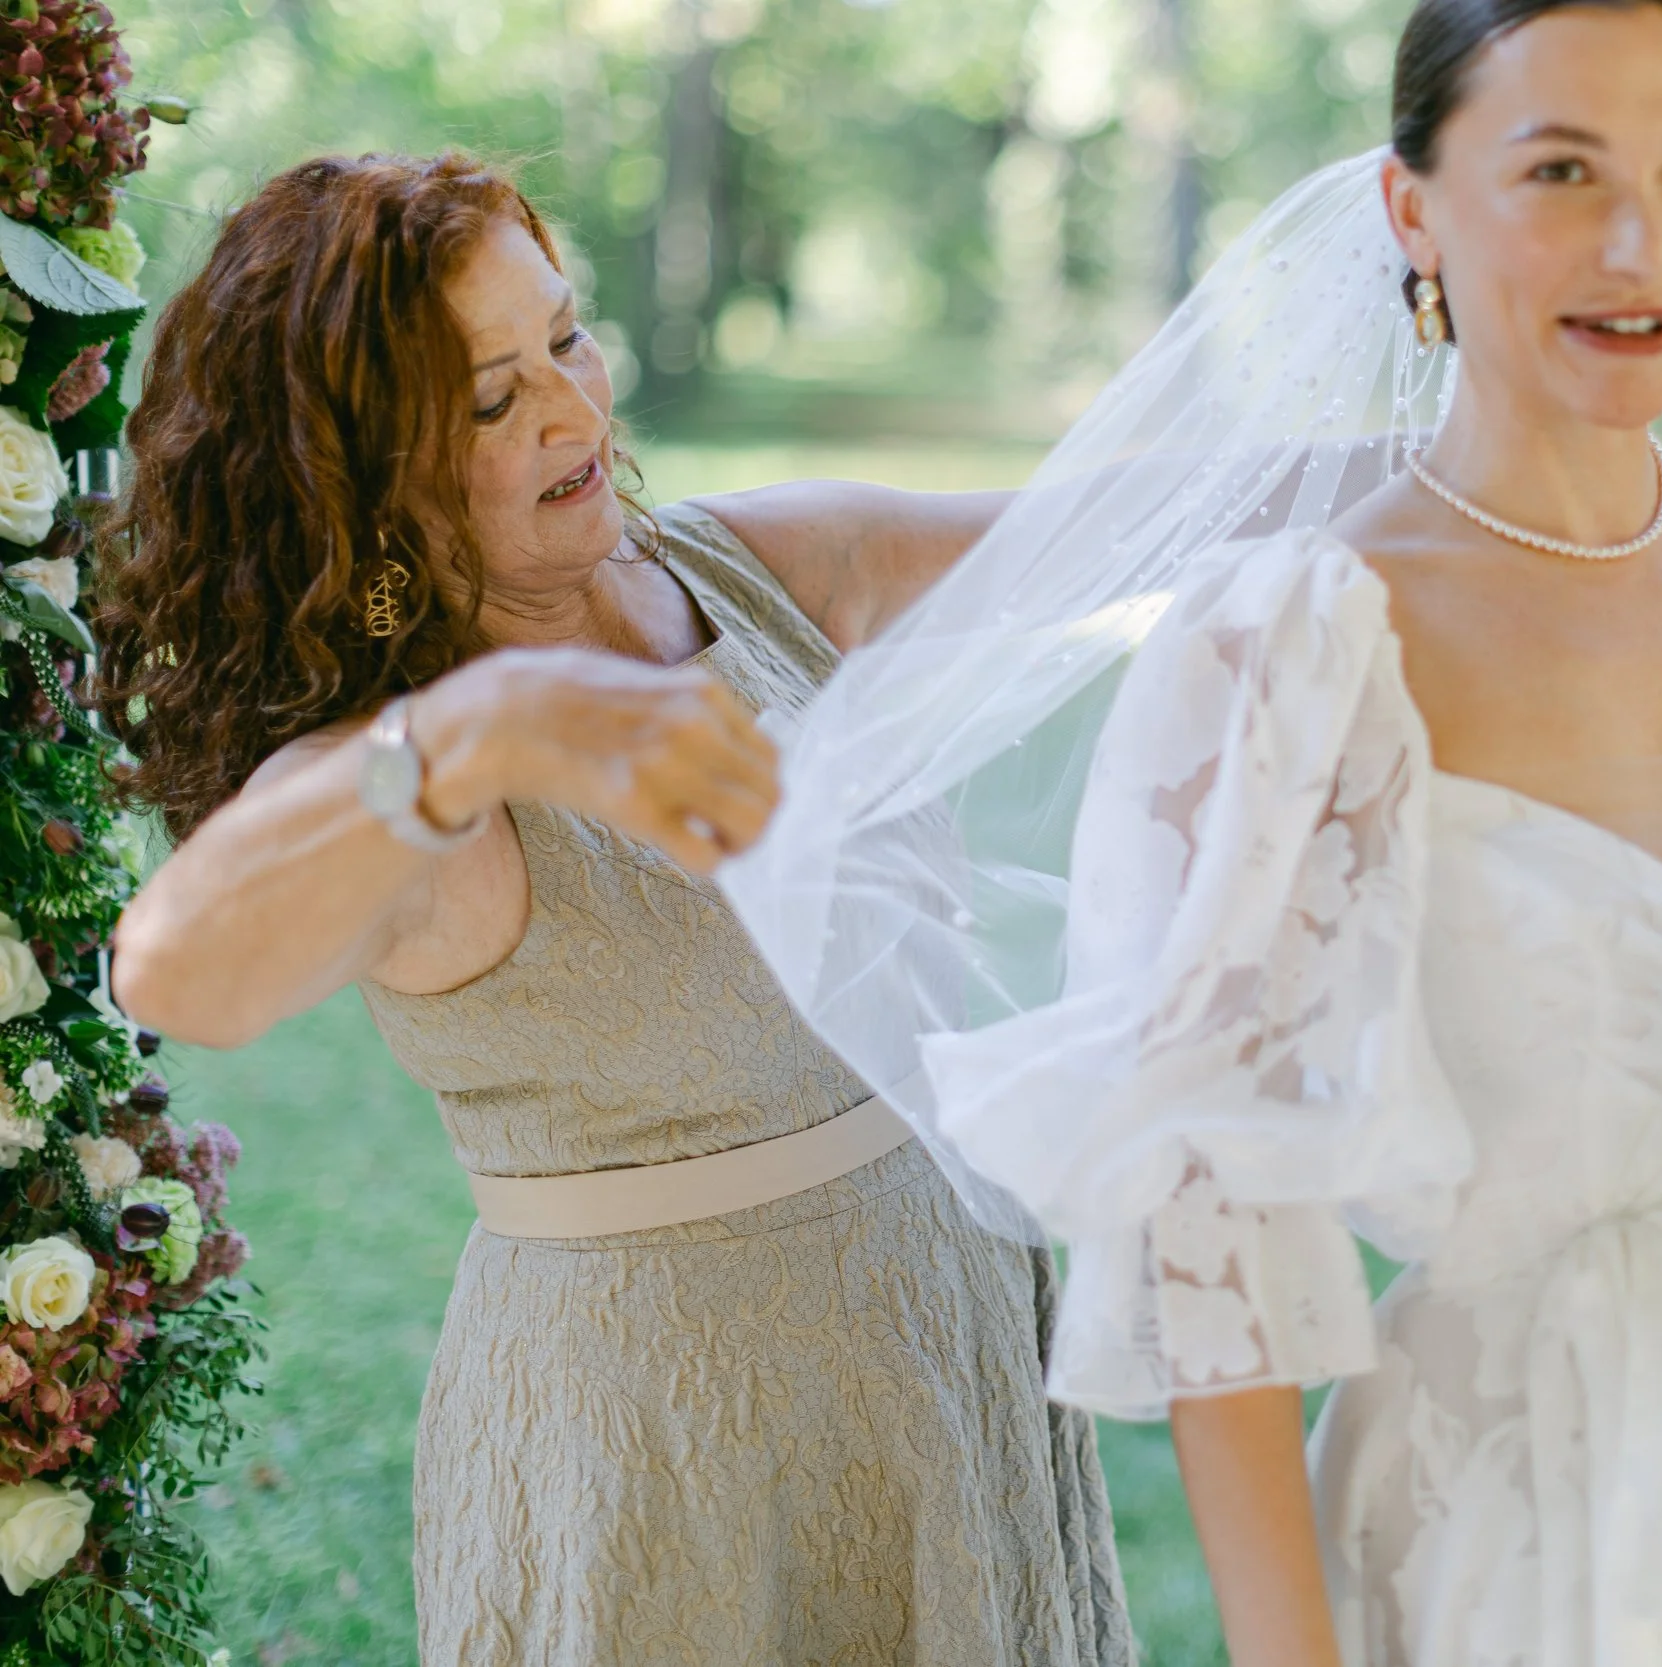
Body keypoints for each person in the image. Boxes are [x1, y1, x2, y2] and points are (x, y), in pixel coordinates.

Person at [726, 1, 1662, 1660]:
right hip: (1520, 1517)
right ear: (1412, 208)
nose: (1641, 241)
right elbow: (1223, 1232)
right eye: (1562, 169)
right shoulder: (1297, 641)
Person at [97, 152, 1131, 1666]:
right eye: (490, 400)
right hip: (670, 1473)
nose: (572, 414)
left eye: (565, 341)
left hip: (951, 1373)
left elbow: (1128, 524)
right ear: (365, 469)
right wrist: (489, 726)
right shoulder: (406, 764)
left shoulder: (738, 568)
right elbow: (177, 969)